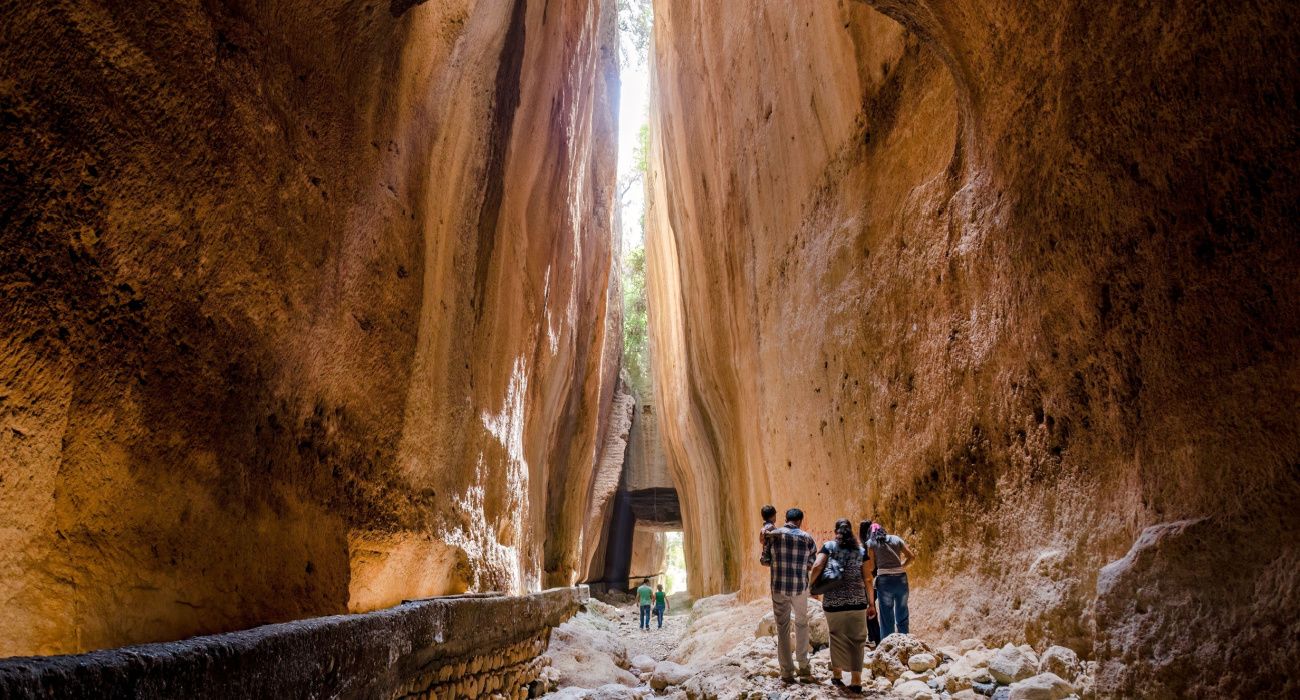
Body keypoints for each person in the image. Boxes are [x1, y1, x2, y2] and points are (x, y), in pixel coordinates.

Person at [810, 519, 874, 694]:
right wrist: (871, 603)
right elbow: (868, 579)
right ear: (851, 532)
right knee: (857, 640)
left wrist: (812, 587)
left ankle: (837, 675)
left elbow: (816, 566)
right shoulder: (861, 551)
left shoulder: (829, 546)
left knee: (836, 637)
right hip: (857, 602)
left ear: (836, 531)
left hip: (833, 602)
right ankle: (856, 679)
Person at [767, 507, 818, 683]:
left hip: (779, 587)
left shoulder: (773, 535)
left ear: (786, 518)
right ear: (800, 521)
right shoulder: (808, 538)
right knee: (802, 623)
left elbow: (764, 560)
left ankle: (787, 672)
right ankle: (803, 667)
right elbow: (812, 564)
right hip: (799, 588)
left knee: (782, 627)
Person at [866, 522, 916, 639]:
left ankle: (888, 648)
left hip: (884, 582)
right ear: (883, 530)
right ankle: (905, 642)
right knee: (902, 614)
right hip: (901, 580)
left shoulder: (871, 543)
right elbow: (911, 556)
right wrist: (900, 566)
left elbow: (872, 567)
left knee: (887, 618)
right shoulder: (896, 539)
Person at [860, 521, 882, 648]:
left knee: (870, 611)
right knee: (872, 611)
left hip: (870, 583)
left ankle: (874, 638)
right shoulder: (878, 544)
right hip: (877, 581)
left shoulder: (866, 547)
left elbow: (870, 568)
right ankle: (875, 637)